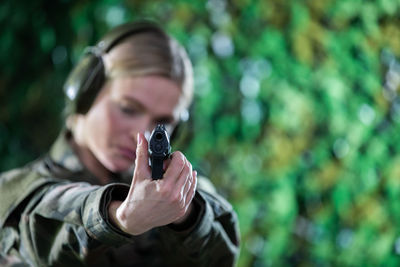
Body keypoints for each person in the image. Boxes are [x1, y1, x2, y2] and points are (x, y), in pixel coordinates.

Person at [0, 20, 240, 266]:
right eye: (128, 109)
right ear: (85, 93)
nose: (143, 135)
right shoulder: (14, 192)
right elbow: (38, 227)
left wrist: (186, 216)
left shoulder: (181, 197)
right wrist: (117, 217)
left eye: (162, 122)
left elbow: (220, 252)